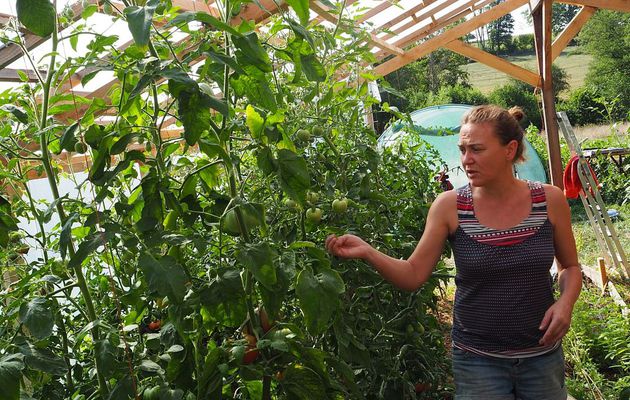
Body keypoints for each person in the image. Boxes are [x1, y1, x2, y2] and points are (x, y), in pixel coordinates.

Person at [326, 105, 582, 400]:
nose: (466, 160)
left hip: (542, 356)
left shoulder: (549, 200)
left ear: (509, 150)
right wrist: (368, 252)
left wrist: (565, 303)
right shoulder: (450, 207)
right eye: (463, 149)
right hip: (478, 360)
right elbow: (412, 275)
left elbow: (571, 268)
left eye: (477, 149)